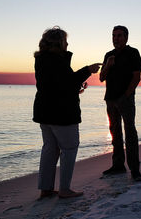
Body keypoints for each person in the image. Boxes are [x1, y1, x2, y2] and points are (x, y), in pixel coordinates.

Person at [33, 26, 101, 199]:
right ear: (59, 43)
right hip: (61, 113)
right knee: (69, 148)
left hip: (44, 111)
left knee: (50, 149)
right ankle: (64, 189)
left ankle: (46, 189)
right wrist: (88, 70)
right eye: (65, 40)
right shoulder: (56, 60)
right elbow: (67, 82)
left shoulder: (42, 60)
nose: (67, 43)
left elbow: (57, 85)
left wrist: (74, 88)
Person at [99, 25, 141, 182]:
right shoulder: (108, 55)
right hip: (110, 99)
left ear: (126, 37)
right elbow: (101, 78)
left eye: (119, 35)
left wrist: (126, 95)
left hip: (125, 99)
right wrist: (108, 65)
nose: (115, 38)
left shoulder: (133, 53)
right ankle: (118, 165)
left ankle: (135, 169)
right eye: (113, 35)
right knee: (115, 132)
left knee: (130, 132)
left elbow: (136, 77)